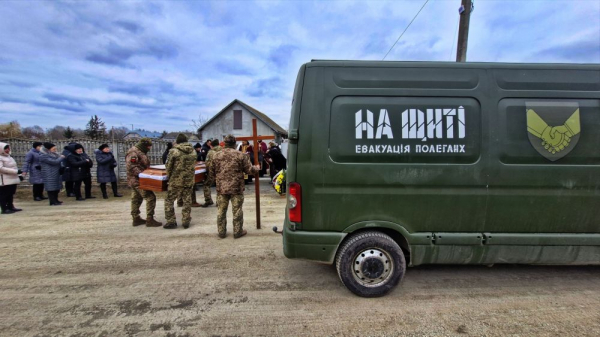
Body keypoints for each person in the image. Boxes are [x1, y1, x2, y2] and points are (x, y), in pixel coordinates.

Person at [209, 135, 260, 238]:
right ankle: (237, 232)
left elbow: (211, 172)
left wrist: (218, 179)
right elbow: (249, 170)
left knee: (221, 211)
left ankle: (221, 232)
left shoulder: (216, 155)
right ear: (234, 143)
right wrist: (257, 168)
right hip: (236, 187)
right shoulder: (240, 155)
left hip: (221, 188)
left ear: (224, 143)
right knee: (237, 211)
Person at [126, 137, 162, 227]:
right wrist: (143, 175)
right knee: (150, 197)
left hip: (138, 179)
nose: (149, 148)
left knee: (136, 198)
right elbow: (132, 166)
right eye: (148, 146)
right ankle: (150, 219)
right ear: (144, 145)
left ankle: (136, 218)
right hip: (138, 180)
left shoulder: (140, 151)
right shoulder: (133, 152)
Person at [164, 134, 196, 229]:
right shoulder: (193, 151)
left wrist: (170, 177)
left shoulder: (174, 151)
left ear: (177, 141)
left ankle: (171, 221)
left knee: (169, 200)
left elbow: (168, 166)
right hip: (189, 180)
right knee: (187, 200)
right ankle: (186, 221)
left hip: (176, 180)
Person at [0, 142, 22, 214]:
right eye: (5, 148)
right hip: (4, 179)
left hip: (12, 178)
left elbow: (14, 167)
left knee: (10, 193)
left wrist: (19, 175)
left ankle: (10, 206)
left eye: (8, 148)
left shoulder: (9, 157)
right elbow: (1, 168)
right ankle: (4, 208)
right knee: (4, 195)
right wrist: (15, 171)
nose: (8, 150)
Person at [201, 138, 221, 207]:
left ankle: (208, 200)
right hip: (222, 172)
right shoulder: (223, 151)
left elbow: (207, 163)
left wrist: (207, 171)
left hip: (212, 172)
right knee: (220, 186)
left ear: (212, 146)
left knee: (206, 185)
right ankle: (219, 202)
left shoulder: (211, 152)